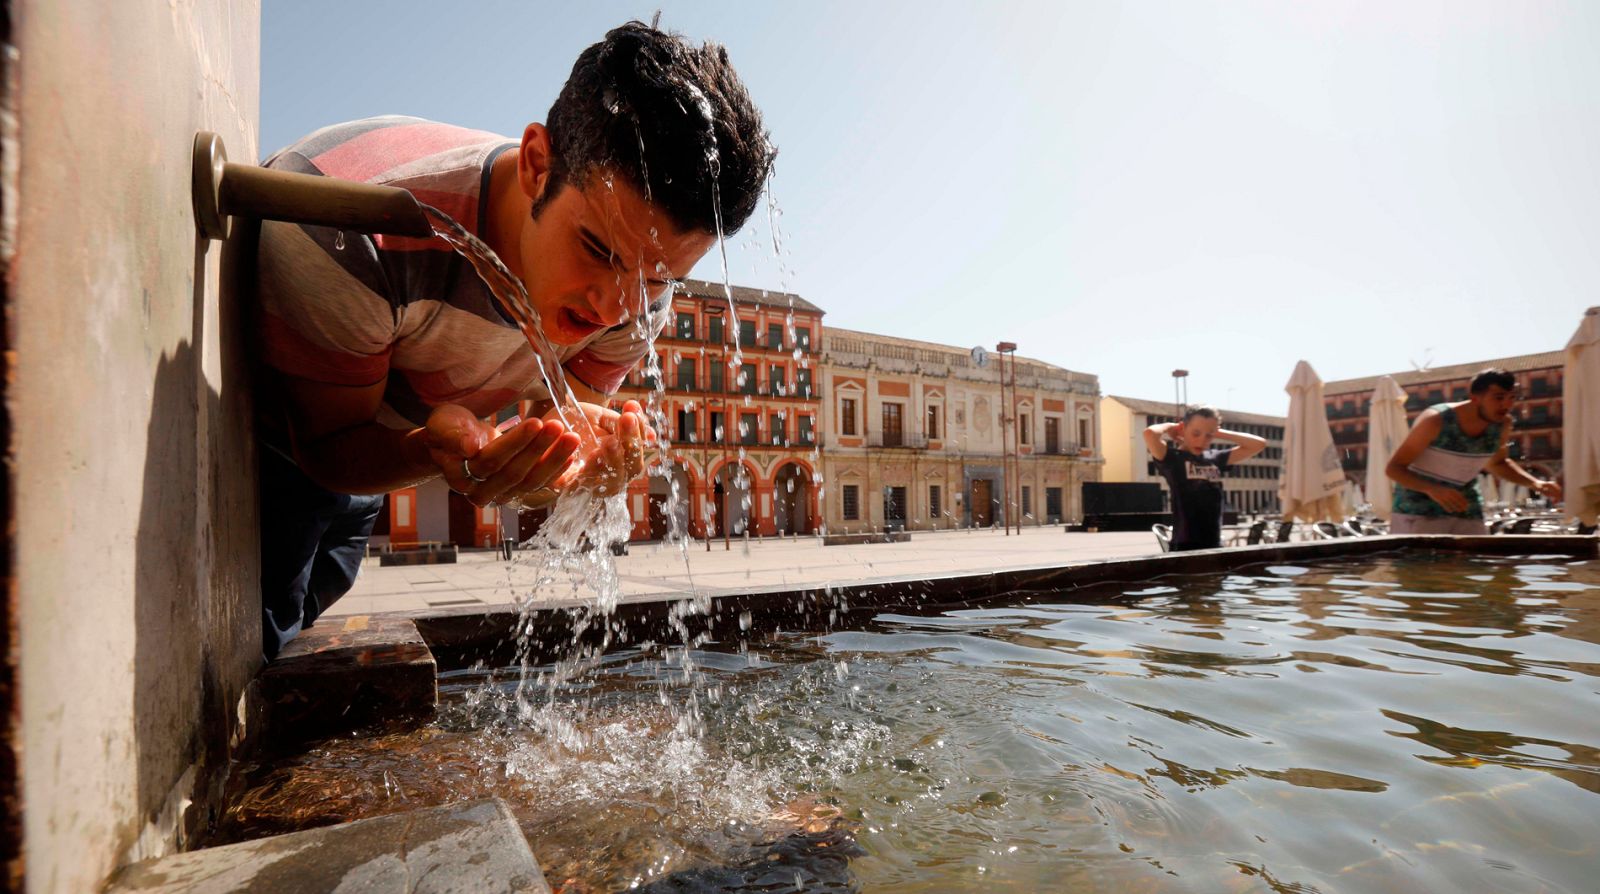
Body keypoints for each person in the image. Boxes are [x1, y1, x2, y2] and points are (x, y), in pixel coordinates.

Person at [253, 21, 775, 657]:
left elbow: (551, 429)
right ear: (536, 163)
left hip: (375, 447)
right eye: (596, 250)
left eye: (657, 277)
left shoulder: (641, 292)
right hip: (271, 451)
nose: (614, 308)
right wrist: (431, 453)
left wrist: (576, 463)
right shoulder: (352, 230)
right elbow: (326, 449)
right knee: (259, 637)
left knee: (319, 594)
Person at [1384, 368, 1561, 534]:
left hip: (1467, 508)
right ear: (1475, 398)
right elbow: (1394, 468)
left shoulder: (1502, 424)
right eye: (1498, 397)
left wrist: (1534, 483)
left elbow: (1498, 464)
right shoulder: (1436, 420)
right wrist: (1433, 489)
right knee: (1419, 567)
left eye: (1511, 397)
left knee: (1476, 565)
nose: (1507, 404)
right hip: (1417, 511)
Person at [1144, 406, 1268, 551]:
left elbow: (1259, 444)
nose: (1202, 440)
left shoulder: (1215, 458)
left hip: (1214, 543)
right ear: (1183, 428)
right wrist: (1172, 427)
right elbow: (1150, 433)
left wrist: (1219, 432)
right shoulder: (1172, 459)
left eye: (1209, 436)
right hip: (1185, 545)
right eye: (1196, 433)